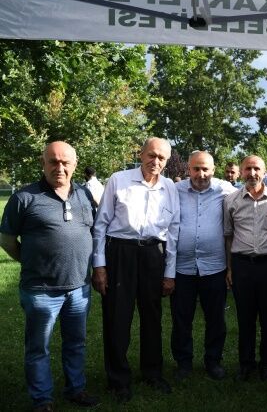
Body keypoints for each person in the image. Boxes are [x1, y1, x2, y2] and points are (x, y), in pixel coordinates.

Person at [0, 141, 99, 411]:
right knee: (38, 346)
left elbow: (92, 232)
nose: (60, 167)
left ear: (75, 164)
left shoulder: (84, 195)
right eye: (53, 161)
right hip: (40, 290)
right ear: (42, 163)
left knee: (76, 342)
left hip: (79, 287)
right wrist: (31, 261)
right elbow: (7, 240)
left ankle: (76, 389)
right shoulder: (24, 197)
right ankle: (42, 399)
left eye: (65, 162)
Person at [91, 137, 179, 403]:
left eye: (161, 158)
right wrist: (99, 266)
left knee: (152, 316)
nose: (156, 161)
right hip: (121, 253)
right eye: (151, 155)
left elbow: (173, 231)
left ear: (167, 161)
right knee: (117, 317)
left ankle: (152, 373)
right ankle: (118, 379)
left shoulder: (169, 187)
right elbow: (100, 224)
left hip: (153, 255)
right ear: (141, 154)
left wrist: (169, 273)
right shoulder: (118, 180)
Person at [171, 151, 236, 382]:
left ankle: (213, 360)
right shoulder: (175, 190)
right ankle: (183, 362)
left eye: (205, 169)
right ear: (188, 169)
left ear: (213, 170)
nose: (201, 174)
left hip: (214, 266)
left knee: (216, 319)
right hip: (182, 267)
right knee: (181, 319)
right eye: (196, 169)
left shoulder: (225, 190)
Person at [224, 155, 267, 382]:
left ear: (265, 172)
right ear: (241, 171)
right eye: (248, 169)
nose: (252, 173)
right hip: (242, 266)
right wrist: (229, 268)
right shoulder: (231, 200)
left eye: (257, 168)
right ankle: (246, 363)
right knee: (245, 318)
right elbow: (228, 236)